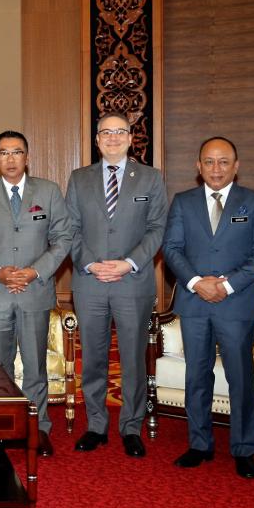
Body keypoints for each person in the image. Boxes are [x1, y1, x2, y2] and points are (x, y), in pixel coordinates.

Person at [162, 137, 254, 479]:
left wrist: (226, 285)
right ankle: (199, 444)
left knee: (240, 377)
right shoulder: (183, 202)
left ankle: (244, 448)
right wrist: (197, 282)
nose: (216, 169)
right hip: (194, 302)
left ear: (236, 166)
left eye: (224, 162)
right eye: (209, 162)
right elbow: (171, 249)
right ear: (198, 166)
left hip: (236, 304)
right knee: (196, 375)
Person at [0, 130, 71, 457]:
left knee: (35, 366)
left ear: (28, 157)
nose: (10, 159)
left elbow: (63, 238)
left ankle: (38, 429)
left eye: (17, 152)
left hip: (35, 291)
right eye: (3, 153)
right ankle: (2, 427)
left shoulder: (48, 191)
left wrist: (34, 271)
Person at [65, 113, 168, 458]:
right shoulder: (79, 178)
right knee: (93, 357)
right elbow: (69, 229)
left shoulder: (150, 178)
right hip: (90, 281)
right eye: (106, 133)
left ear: (130, 137)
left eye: (119, 132)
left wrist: (128, 262)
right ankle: (96, 425)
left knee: (133, 359)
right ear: (97, 140)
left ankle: (131, 427)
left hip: (132, 281)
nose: (112, 138)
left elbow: (157, 228)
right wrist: (91, 263)